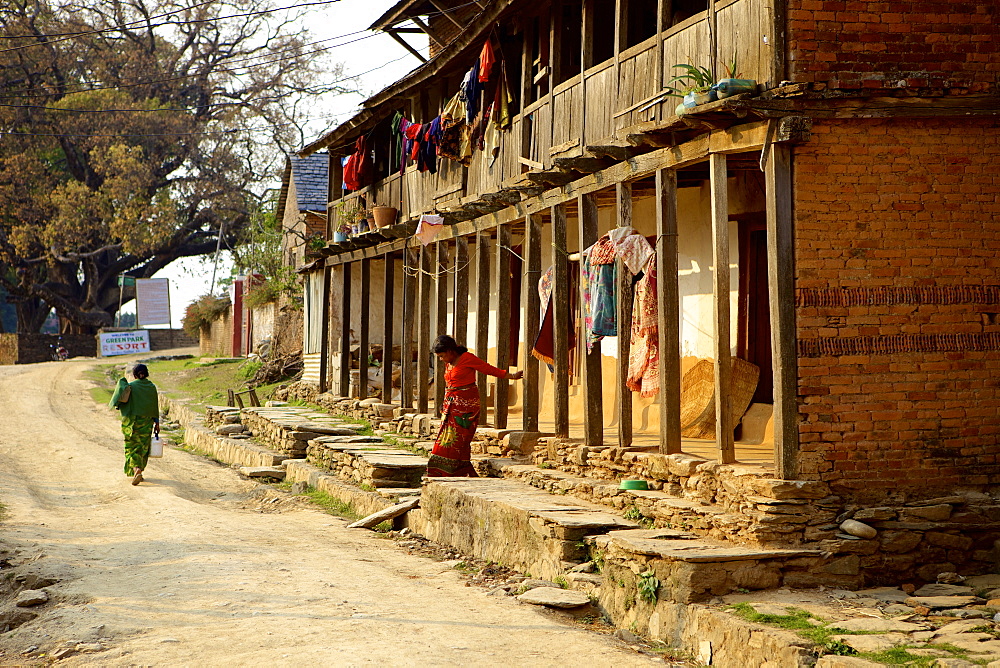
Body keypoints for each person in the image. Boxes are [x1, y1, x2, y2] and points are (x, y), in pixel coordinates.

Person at [427, 335, 523, 477]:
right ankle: (457, 469)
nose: (441, 360)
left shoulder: (467, 358)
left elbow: (487, 368)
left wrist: (511, 376)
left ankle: (449, 470)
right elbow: (450, 384)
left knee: (458, 438)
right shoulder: (449, 363)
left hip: (467, 405)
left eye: (442, 356)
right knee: (447, 435)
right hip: (451, 404)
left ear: (450, 351)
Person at [109, 363, 160, 485]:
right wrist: (157, 423)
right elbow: (154, 406)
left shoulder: (130, 387)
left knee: (131, 446)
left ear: (135, 374)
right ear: (146, 373)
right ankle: (140, 470)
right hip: (147, 421)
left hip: (131, 422)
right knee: (143, 446)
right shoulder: (151, 387)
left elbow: (121, 402)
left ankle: (136, 469)